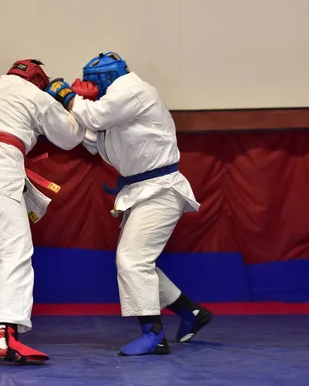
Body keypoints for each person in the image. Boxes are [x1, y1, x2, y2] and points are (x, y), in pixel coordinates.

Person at [44, 52, 212, 356]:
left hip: (160, 189)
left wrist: (68, 96)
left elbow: (93, 117)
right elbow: (96, 141)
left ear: (107, 78)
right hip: (143, 190)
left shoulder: (133, 90)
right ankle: (191, 312)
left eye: (93, 82)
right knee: (137, 262)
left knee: (132, 260)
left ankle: (154, 335)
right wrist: (62, 108)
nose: (90, 88)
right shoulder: (117, 108)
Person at [0, 59, 86, 364]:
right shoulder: (34, 94)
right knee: (14, 254)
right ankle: (5, 334)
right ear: (40, 80)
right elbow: (71, 136)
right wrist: (65, 97)